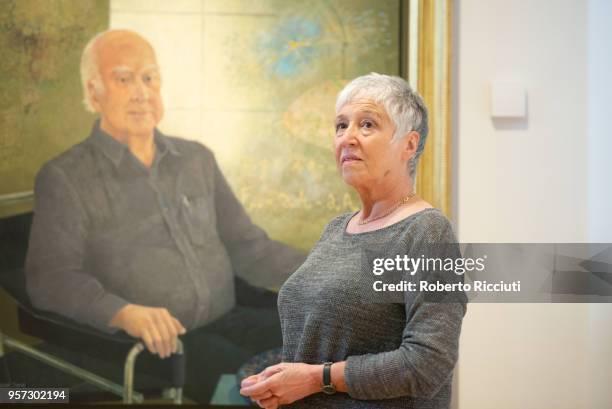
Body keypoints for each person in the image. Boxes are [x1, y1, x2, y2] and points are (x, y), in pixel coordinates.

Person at [25, 29, 304, 402]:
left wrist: (327, 274)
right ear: (94, 93)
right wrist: (122, 312)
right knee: (264, 390)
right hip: (158, 347)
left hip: (232, 316)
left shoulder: (196, 159)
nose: (141, 91)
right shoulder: (65, 177)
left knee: (328, 343)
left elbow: (249, 248)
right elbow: (51, 278)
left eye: (149, 77)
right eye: (124, 79)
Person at [240, 73, 467, 408]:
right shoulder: (336, 229)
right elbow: (319, 346)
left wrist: (317, 379)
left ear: (409, 144)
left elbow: (426, 364)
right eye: (340, 126)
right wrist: (278, 382)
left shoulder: (427, 232)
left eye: (367, 125)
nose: (347, 138)